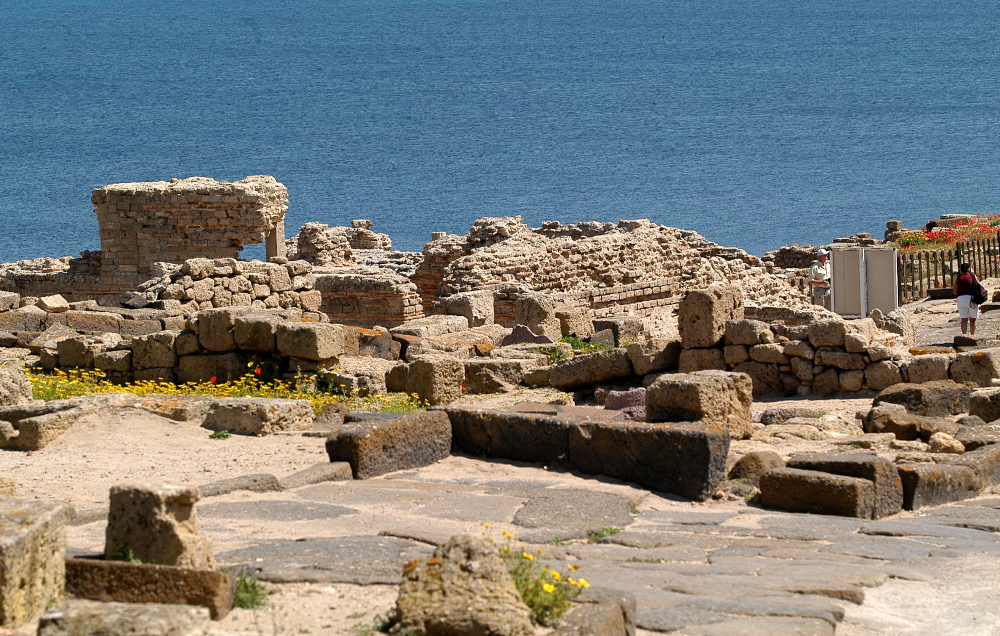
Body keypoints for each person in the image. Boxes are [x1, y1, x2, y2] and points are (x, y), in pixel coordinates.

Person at [953, 262, 978, 335]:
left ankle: (964, 335)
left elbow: (954, 291)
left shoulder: (959, 278)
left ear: (960, 269)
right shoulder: (972, 276)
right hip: (971, 298)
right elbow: (978, 286)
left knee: (964, 320)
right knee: (972, 319)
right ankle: (972, 335)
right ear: (969, 269)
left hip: (961, 299)